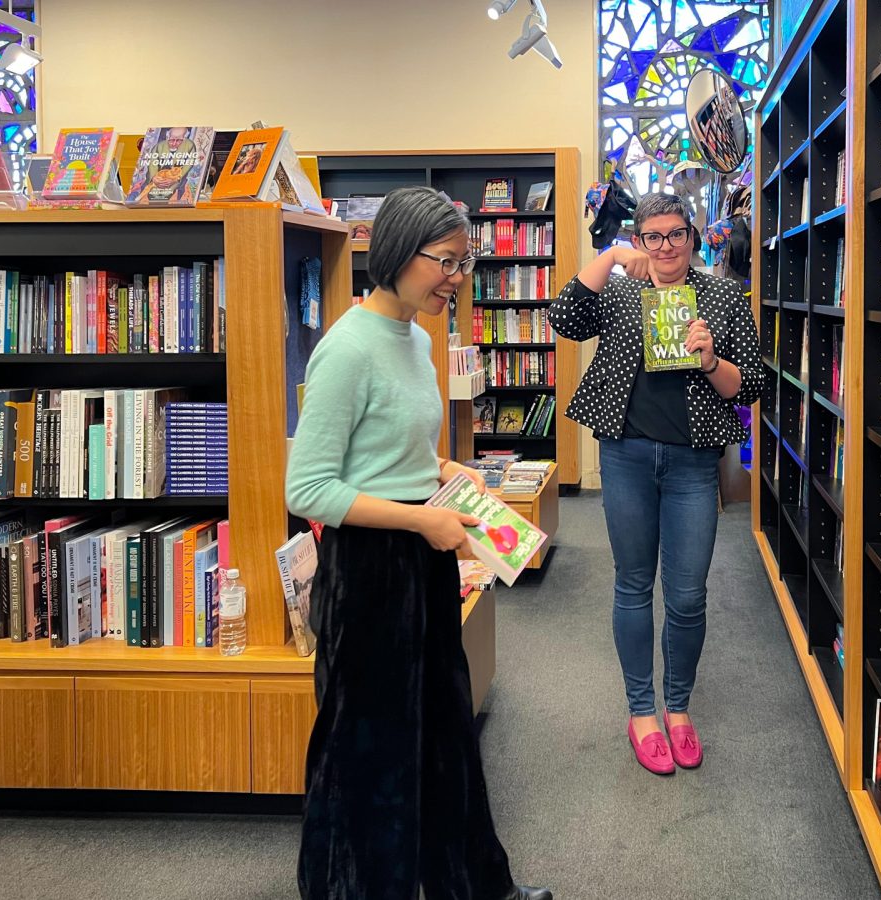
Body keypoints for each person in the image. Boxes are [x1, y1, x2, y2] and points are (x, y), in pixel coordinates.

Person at [286, 185, 551, 900]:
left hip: (423, 559)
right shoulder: (345, 349)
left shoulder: (413, 338)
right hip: (371, 569)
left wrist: (440, 468)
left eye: (463, 262)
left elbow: (387, 448)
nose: (456, 279)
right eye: (446, 262)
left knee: (444, 732)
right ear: (400, 253)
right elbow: (307, 490)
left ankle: (472, 885)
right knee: (370, 749)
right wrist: (419, 519)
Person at [548, 192, 763, 775]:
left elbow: (750, 386)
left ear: (693, 238)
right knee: (634, 583)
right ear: (641, 241)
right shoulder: (619, 289)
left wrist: (711, 360)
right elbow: (564, 319)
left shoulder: (720, 294)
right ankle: (641, 711)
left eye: (676, 234)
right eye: (653, 237)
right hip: (627, 457)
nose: (665, 247)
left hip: (694, 464)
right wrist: (613, 254)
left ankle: (679, 708)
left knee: (689, 595)